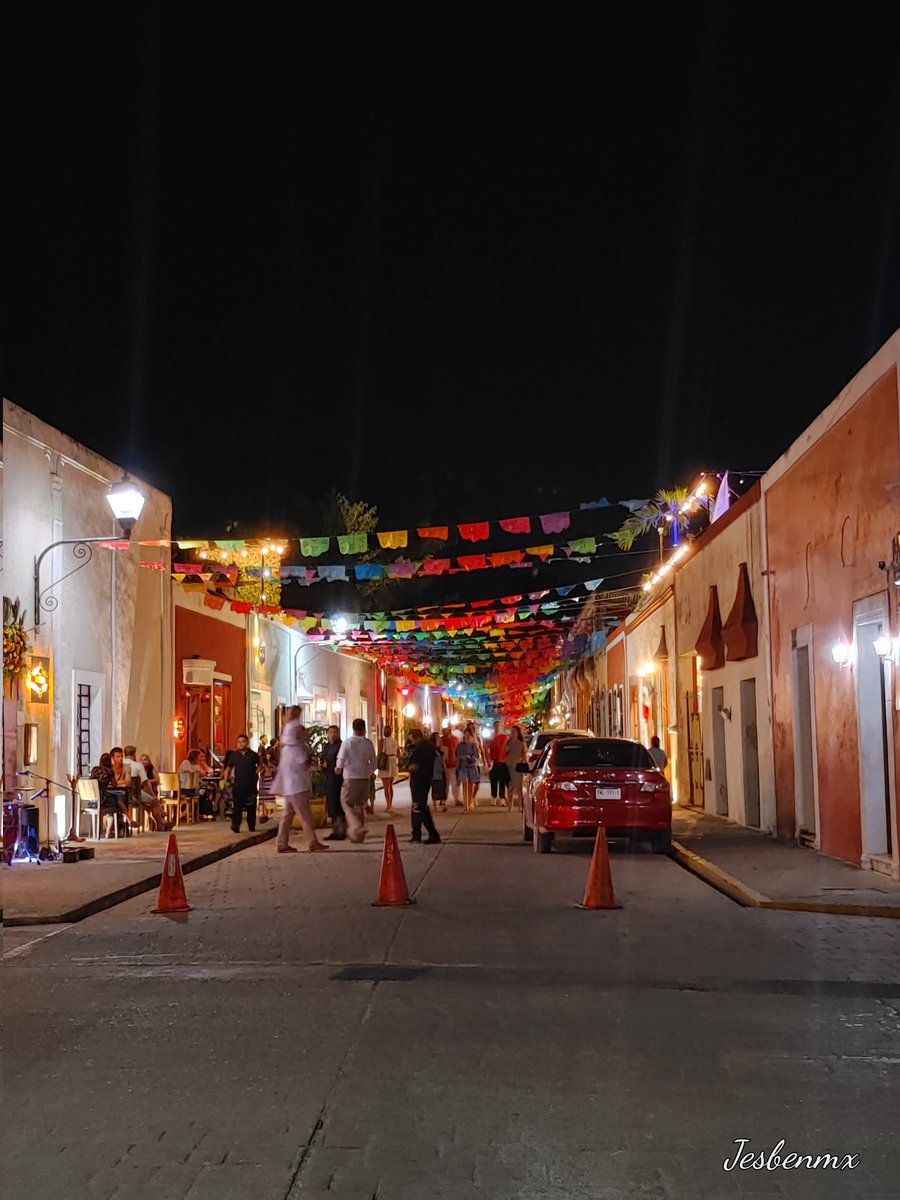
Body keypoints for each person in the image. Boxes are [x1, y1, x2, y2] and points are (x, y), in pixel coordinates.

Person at [272, 709, 328, 852]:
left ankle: (281, 843)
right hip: (297, 786)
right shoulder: (296, 749)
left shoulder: (285, 749)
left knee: (288, 814)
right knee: (305, 815)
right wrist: (312, 761)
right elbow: (304, 763)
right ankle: (312, 842)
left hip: (289, 786)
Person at [335, 717, 376, 844]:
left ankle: (356, 827)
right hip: (364, 778)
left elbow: (341, 758)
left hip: (350, 778)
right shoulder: (368, 743)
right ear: (364, 729)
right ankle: (358, 836)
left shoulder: (347, 743)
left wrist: (338, 768)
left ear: (353, 729)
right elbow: (373, 761)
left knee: (346, 803)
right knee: (360, 805)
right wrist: (371, 772)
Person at [123, 744, 170, 830]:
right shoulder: (138, 765)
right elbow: (146, 783)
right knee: (154, 802)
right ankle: (160, 824)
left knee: (145, 804)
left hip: (122, 795)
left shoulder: (120, 764)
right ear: (134, 754)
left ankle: (157, 822)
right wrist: (153, 795)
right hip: (135, 794)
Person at [407, 729, 441, 843]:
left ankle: (433, 834)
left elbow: (415, 765)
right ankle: (416, 834)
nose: (412, 742)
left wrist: (408, 766)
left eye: (412, 739)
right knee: (417, 808)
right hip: (425, 780)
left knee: (420, 808)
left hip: (420, 781)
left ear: (417, 737)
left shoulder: (421, 748)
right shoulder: (430, 746)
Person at [224, 735, 260, 834]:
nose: (240, 744)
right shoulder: (234, 756)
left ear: (247, 742)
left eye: (243, 741)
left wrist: (256, 773)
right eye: (238, 742)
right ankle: (236, 825)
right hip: (238, 785)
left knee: (251, 807)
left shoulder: (253, 755)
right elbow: (228, 768)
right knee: (237, 807)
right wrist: (225, 781)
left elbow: (260, 765)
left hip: (251, 785)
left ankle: (251, 825)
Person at [91, 751, 130, 837]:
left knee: (115, 801)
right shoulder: (109, 772)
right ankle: (109, 831)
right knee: (115, 805)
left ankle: (127, 819)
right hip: (103, 800)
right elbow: (115, 784)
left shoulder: (94, 769)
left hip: (92, 801)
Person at [321, 724, 345, 840]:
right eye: (330, 732)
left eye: (335, 732)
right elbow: (323, 759)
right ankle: (334, 830)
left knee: (337, 804)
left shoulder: (341, 746)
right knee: (331, 804)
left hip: (338, 779)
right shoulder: (326, 747)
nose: (332, 735)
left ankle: (341, 830)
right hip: (328, 778)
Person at [455, 729, 480, 811]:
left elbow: (476, 757)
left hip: (471, 767)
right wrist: (461, 759)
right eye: (465, 734)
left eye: (468, 734)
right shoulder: (460, 745)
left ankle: (470, 801)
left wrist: (470, 757)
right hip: (463, 767)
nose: (467, 736)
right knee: (464, 784)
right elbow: (457, 755)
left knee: (470, 785)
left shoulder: (474, 746)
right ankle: (466, 804)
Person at [377, 723, 399, 814]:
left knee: (386, 786)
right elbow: (398, 752)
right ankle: (390, 804)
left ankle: (388, 805)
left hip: (385, 763)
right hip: (393, 761)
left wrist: (376, 762)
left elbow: (379, 753)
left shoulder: (382, 741)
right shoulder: (394, 740)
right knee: (390, 785)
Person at [487, 721, 510, 806]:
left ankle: (502, 798)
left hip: (503, 762)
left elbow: (508, 749)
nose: (497, 727)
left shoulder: (505, 738)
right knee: (493, 780)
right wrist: (488, 761)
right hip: (494, 762)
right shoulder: (491, 738)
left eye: (499, 725)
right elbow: (488, 750)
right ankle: (494, 797)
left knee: (502, 781)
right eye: (496, 725)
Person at [505, 724, 528, 811]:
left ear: (518, 733)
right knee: (510, 785)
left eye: (514, 731)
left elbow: (524, 754)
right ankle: (510, 805)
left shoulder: (521, 743)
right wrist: (507, 748)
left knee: (519, 786)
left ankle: (520, 806)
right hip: (510, 765)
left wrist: (526, 765)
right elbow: (504, 751)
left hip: (518, 766)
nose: (513, 732)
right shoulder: (509, 742)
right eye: (512, 731)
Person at [440, 725, 461, 806]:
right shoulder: (442, 740)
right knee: (445, 783)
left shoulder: (455, 739)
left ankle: (456, 799)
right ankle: (444, 799)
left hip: (454, 763)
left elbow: (457, 751)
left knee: (455, 782)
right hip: (445, 764)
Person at [430, 731, 448, 812]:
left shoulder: (442, 748)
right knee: (435, 787)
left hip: (441, 770)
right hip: (434, 770)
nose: (439, 739)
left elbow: (445, 759)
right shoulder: (431, 749)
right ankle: (435, 805)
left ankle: (443, 803)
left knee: (443, 786)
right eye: (437, 738)